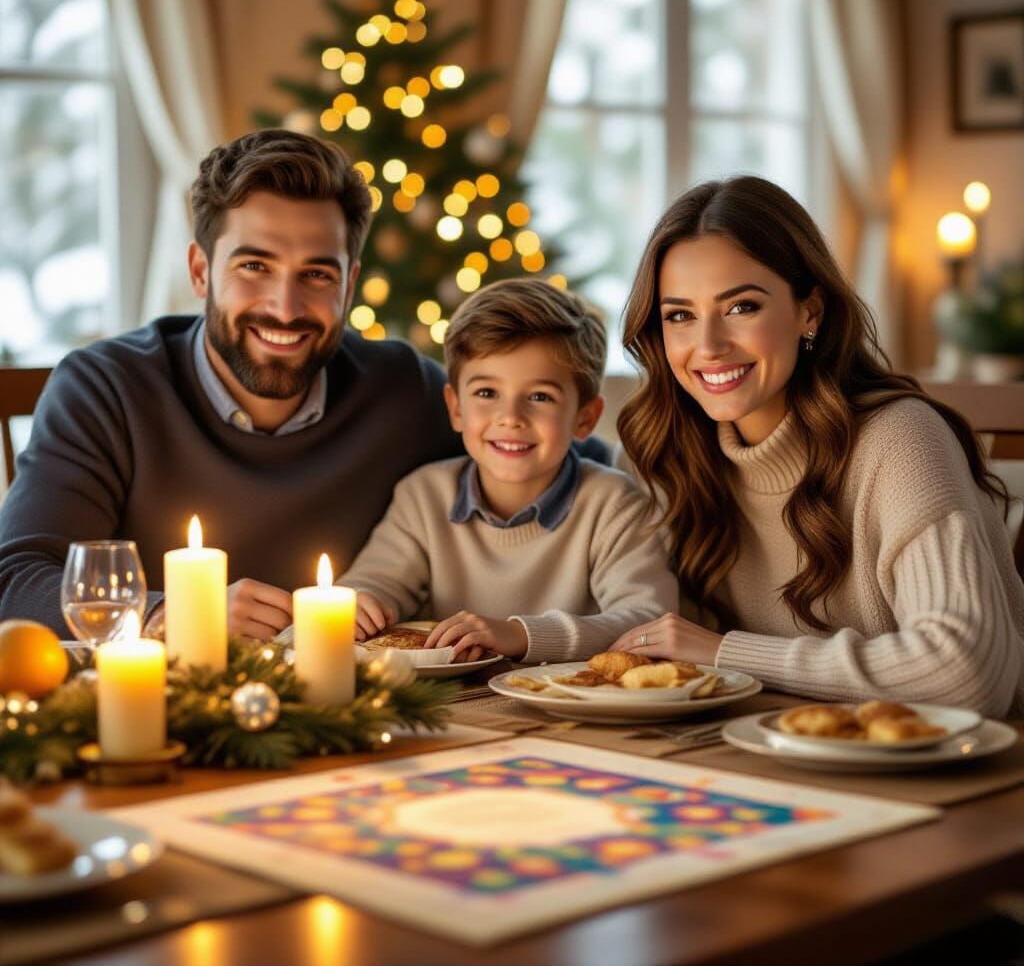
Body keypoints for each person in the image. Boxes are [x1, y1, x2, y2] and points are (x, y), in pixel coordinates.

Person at [0, 129, 464, 640]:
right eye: (254, 266)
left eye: (316, 275)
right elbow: (17, 580)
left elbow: (554, 470)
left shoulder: (405, 390)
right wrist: (174, 616)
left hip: (358, 708)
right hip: (169, 706)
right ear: (201, 272)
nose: (284, 308)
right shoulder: (106, 388)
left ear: (349, 285)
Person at [609, 176, 1024, 716]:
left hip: (965, 773)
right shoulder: (663, 452)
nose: (707, 347)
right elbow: (637, 631)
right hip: (765, 756)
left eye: (741, 308)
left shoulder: (901, 440)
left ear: (810, 311)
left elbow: (967, 673)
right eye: (680, 316)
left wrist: (724, 654)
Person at [341, 278, 678, 663]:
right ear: (455, 408)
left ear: (585, 418)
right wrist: (359, 603)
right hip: (453, 705)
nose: (511, 418)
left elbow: (648, 621)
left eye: (539, 397)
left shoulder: (614, 504)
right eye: (487, 393)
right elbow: (375, 582)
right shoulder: (424, 495)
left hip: (569, 705)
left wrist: (521, 634)